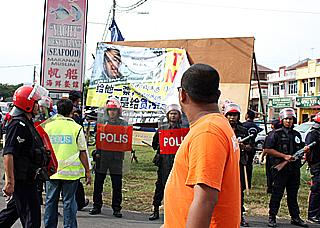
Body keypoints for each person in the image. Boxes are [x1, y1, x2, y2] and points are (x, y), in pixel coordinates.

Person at [164, 63, 241, 227]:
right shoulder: (217, 124)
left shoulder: (207, 132)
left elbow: (205, 200)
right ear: (217, 94)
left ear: (182, 95)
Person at [0, 85, 48, 228]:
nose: (38, 107)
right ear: (27, 104)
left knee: (10, 215)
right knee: (32, 221)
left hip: (29, 179)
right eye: (36, 103)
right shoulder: (17, 125)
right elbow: (8, 154)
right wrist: (10, 182)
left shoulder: (28, 123)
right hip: (22, 181)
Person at [43, 98, 91, 228]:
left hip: (51, 172)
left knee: (50, 202)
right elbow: (82, 151)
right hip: (70, 174)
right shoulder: (76, 127)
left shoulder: (47, 126)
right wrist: (87, 171)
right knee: (69, 202)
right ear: (71, 111)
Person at [264, 108, 308, 227]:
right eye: (287, 119)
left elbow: (300, 147)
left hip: (294, 170)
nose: (289, 121)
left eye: (291, 119)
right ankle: (272, 217)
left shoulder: (297, 134)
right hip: (280, 169)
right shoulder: (275, 134)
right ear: (282, 120)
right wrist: (284, 156)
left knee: (293, 195)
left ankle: (295, 217)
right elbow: (267, 149)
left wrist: (304, 151)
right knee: (277, 194)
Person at [89, 98, 127, 218]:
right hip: (103, 156)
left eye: (114, 110)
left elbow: (126, 140)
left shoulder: (124, 124)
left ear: (118, 111)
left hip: (116, 157)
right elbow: (96, 137)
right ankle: (96, 205)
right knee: (99, 183)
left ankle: (116, 208)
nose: (112, 112)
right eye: (110, 110)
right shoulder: (101, 123)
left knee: (116, 184)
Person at [149, 103, 182, 221]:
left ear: (179, 115)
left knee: (178, 188)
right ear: (168, 115)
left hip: (178, 163)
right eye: (171, 114)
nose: (173, 116)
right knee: (160, 187)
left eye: (175, 114)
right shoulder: (162, 128)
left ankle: (174, 212)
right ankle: (156, 210)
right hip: (163, 162)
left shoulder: (183, 130)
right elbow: (154, 144)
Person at [224, 103, 252, 227]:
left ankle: (239, 216)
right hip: (224, 165)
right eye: (230, 115)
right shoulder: (222, 129)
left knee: (238, 192)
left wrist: (244, 147)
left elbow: (252, 148)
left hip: (240, 165)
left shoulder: (244, 130)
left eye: (234, 115)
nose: (232, 118)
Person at [69, 90, 90, 211]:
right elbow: (77, 128)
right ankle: (80, 202)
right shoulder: (74, 112)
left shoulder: (64, 109)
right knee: (75, 182)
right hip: (73, 152)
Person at [305, 113, 320, 224]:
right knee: (317, 189)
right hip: (317, 164)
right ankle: (313, 214)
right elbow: (308, 150)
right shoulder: (313, 134)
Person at [242, 109, 262, 189]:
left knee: (242, 165)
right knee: (249, 165)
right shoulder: (256, 126)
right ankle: (248, 183)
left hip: (244, 147)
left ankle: (244, 183)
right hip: (252, 147)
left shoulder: (243, 125)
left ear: (247, 116)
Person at [261, 119, 281, 194]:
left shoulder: (271, 134)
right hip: (279, 158)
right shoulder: (282, 133)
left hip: (271, 157)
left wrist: (262, 156)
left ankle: (270, 187)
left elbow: (266, 148)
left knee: (270, 173)